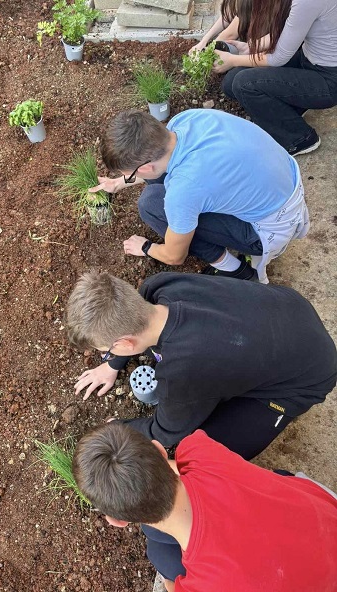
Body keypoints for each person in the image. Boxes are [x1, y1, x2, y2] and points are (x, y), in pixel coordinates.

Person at [67, 270, 337, 459]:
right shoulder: (160, 287)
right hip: (291, 310)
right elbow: (134, 324)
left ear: (125, 343)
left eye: (106, 350)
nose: (107, 354)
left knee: (204, 453)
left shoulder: (182, 373)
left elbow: (165, 431)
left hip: (308, 375)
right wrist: (112, 364)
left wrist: (121, 427)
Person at [72, 423, 337, 592]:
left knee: (160, 553)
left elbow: (173, 586)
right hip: (325, 514)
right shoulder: (197, 450)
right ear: (161, 451)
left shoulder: (206, 584)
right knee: (275, 477)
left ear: (118, 521)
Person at [90, 109, 309, 284]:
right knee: (167, 193)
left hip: (266, 232)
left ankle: (237, 271)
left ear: (145, 167)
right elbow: (161, 168)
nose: (128, 178)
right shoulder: (186, 121)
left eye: (128, 175)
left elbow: (175, 256)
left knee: (151, 204)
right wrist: (118, 183)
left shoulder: (184, 190)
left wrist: (146, 247)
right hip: (284, 187)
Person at [212, 0, 337, 155]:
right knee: (231, 83)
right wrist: (251, 47)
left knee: (244, 84)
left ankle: (300, 139)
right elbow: (291, 31)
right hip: (308, 60)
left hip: (329, 79)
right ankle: (290, 110)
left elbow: (278, 58)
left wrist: (232, 60)